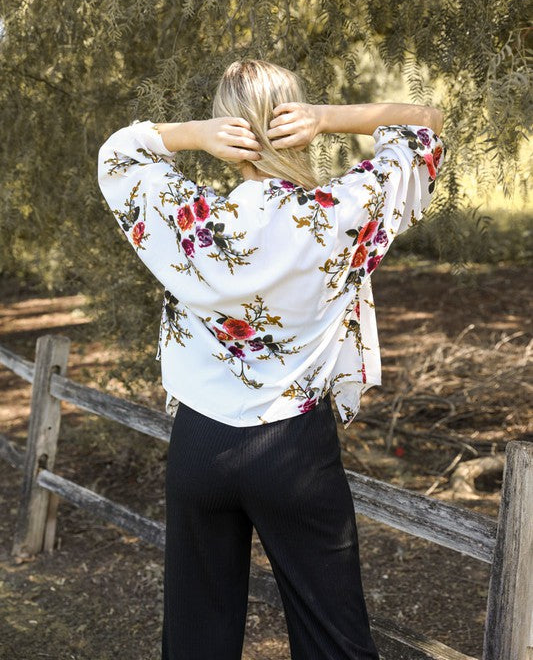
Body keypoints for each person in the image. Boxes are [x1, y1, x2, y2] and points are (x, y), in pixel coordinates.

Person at [97, 58, 446, 659]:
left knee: (195, 637)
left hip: (199, 445)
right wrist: (327, 119)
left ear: (230, 131)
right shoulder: (339, 212)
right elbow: (425, 125)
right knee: (333, 636)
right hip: (294, 451)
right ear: (295, 121)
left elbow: (120, 154)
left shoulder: (190, 220)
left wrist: (193, 133)